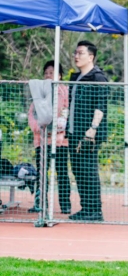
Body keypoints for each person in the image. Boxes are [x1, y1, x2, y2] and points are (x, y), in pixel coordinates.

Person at [66, 40, 108, 222]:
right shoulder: (74, 77)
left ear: (91, 56)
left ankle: (95, 210)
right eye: (75, 53)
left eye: (80, 53)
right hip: (73, 131)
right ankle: (86, 207)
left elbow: (101, 105)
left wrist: (93, 129)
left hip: (89, 134)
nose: (76, 56)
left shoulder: (98, 77)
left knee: (88, 170)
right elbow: (70, 103)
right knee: (78, 170)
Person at [27, 60, 71, 214]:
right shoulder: (38, 92)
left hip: (59, 141)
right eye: (46, 73)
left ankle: (65, 203)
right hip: (42, 140)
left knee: (62, 172)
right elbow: (32, 114)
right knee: (41, 173)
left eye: (51, 73)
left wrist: (59, 127)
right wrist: (39, 128)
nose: (48, 75)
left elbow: (66, 111)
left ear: (59, 75)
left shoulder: (65, 91)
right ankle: (40, 202)